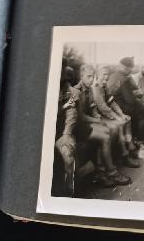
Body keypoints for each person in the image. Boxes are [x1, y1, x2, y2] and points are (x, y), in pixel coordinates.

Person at [74, 65, 132, 186]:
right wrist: (97, 120)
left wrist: (97, 117)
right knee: (105, 136)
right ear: (81, 76)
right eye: (88, 76)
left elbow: (93, 108)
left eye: (92, 76)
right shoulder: (76, 91)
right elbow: (81, 117)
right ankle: (111, 173)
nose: (91, 79)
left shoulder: (89, 89)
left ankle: (102, 172)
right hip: (79, 127)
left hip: (88, 123)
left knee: (107, 131)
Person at [92, 65, 139, 166]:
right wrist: (118, 117)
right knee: (120, 124)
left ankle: (131, 147)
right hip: (99, 117)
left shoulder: (104, 87)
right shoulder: (95, 88)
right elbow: (103, 108)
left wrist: (121, 114)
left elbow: (112, 102)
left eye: (108, 75)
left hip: (107, 115)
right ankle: (124, 155)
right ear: (97, 75)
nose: (106, 77)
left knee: (127, 119)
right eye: (104, 74)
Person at [55, 66, 79, 196]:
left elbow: (71, 113)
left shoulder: (68, 91)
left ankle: (68, 190)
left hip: (61, 133)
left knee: (68, 154)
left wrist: (67, 134)